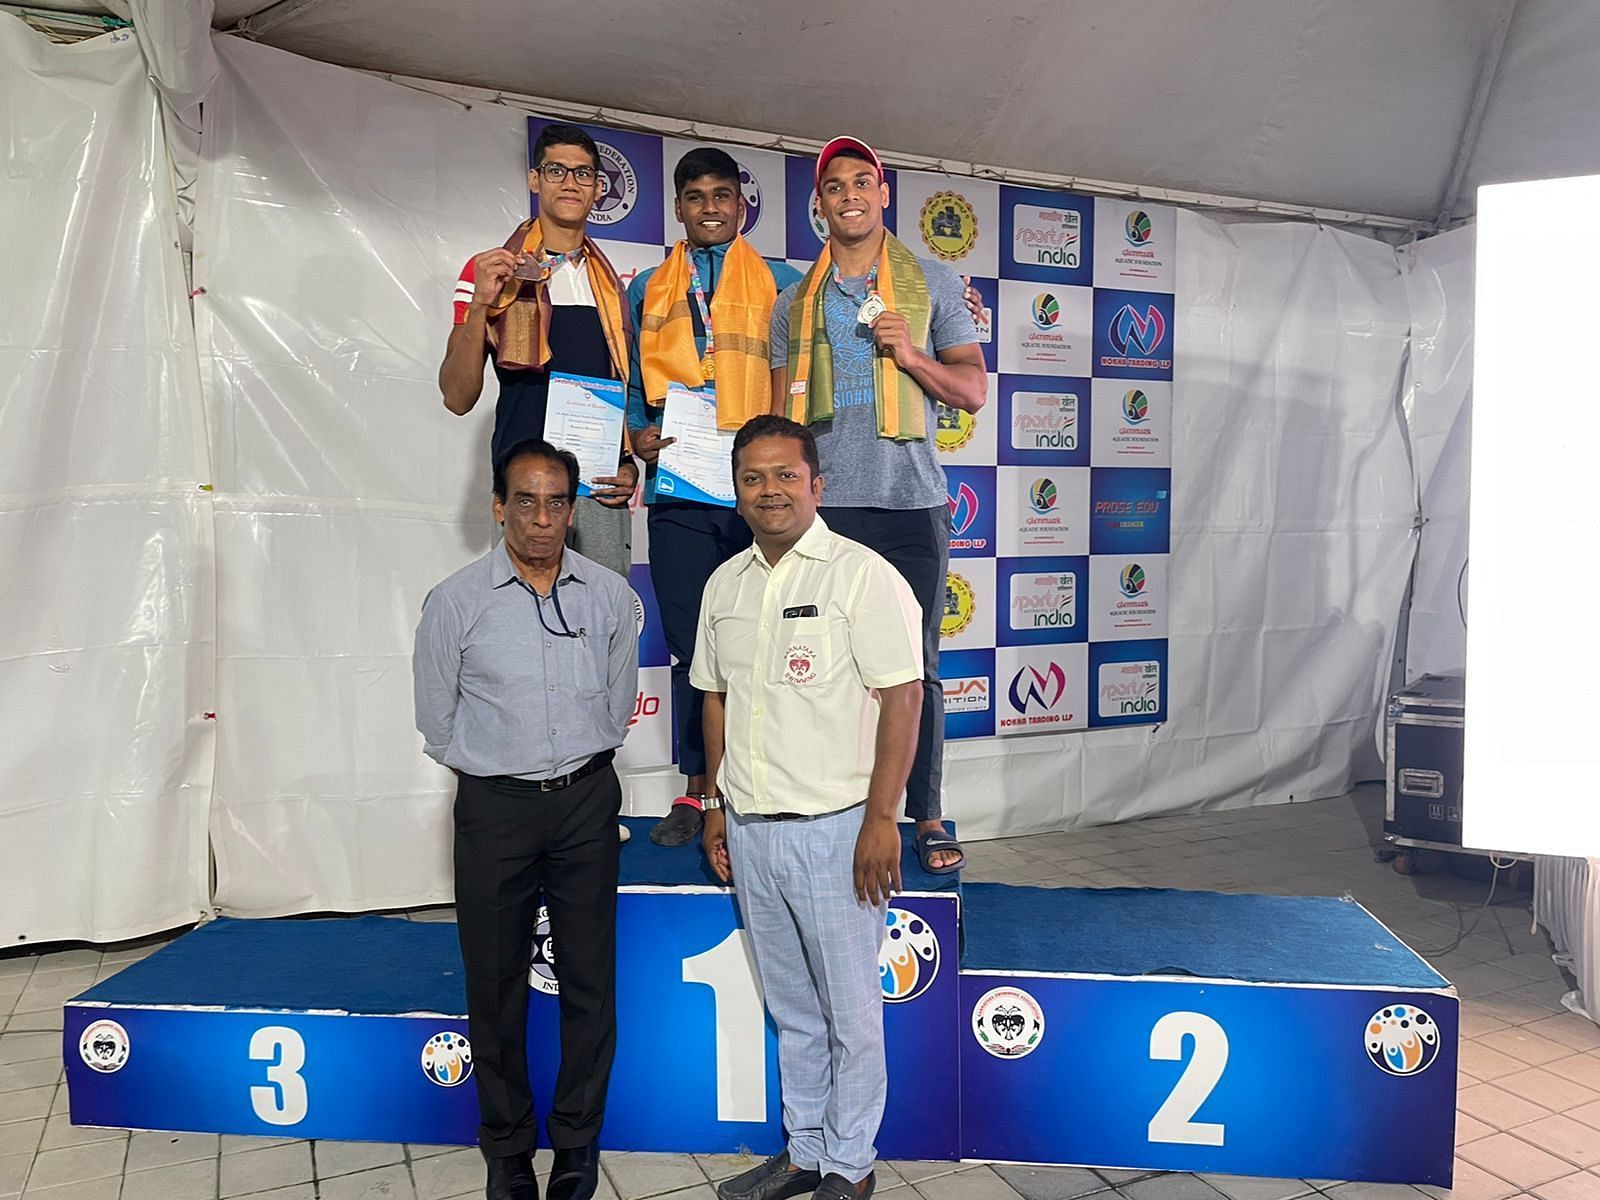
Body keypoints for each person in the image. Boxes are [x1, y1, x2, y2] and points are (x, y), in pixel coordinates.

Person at [694, 415, 924, 1200]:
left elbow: (902, 695)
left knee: (851, 1015)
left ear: (816, 485)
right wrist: (716, 805)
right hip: (752, 831)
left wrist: (882, 818)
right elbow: (716, 702)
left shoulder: (862, 575)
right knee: (793, 1010)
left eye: (785, 475)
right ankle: (804, 1152)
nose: (770, 491)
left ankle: (850, 1167)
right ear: (736, 491)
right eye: (753, 478)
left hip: (836, 832)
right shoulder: (724, 585)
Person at [413, 439, 637, 1200]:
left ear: (574, 511)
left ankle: (577, 1143)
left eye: (556, 502)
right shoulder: (455, 601)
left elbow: (617, 705)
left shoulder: (608, 596)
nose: (542, 518)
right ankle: (506, 1150)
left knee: (588, 980)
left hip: (585, 802)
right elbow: (436, 722)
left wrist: (576, 766)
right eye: (526, 501)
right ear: (498, 506)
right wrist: (497, 770)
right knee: (496, 980)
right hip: (494, 809)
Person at [769, 136, 987, 875]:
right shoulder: (793, 303)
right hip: (823, 512)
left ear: (884, 193)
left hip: (906, 505)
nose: (850, 195)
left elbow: (973, 391)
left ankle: (924, 812)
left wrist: (914, 355)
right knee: (822, 667)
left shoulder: (932, 281)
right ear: (820, 203)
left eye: (863, 181)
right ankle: (837, 807)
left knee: (915, 668)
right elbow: (778, 425)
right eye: (835, 186)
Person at [625, 147, 803, 847]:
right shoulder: (646, 287)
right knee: (692, 647)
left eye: (722, 196)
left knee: (774, 642)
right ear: (678, 206)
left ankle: (768, 784)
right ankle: (697, 792)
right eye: (695, 196)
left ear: (741, 204)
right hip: (680, 492)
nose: (709, 208)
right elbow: (637, 385)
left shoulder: (785, 281)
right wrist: (638, 434)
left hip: (758, 491)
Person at [440, 122, 638, 580]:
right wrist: (480, 308)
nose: (570, 183)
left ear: (597, 189)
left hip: (594, 492)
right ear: (535, 180)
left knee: (601, 629)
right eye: (556, 170)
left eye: (583, 174)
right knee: (517, 630)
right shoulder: (491, 268)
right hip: (524, 490)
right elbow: (457, 396)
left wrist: (626, 464)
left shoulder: (610, 283)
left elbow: (618, 388)